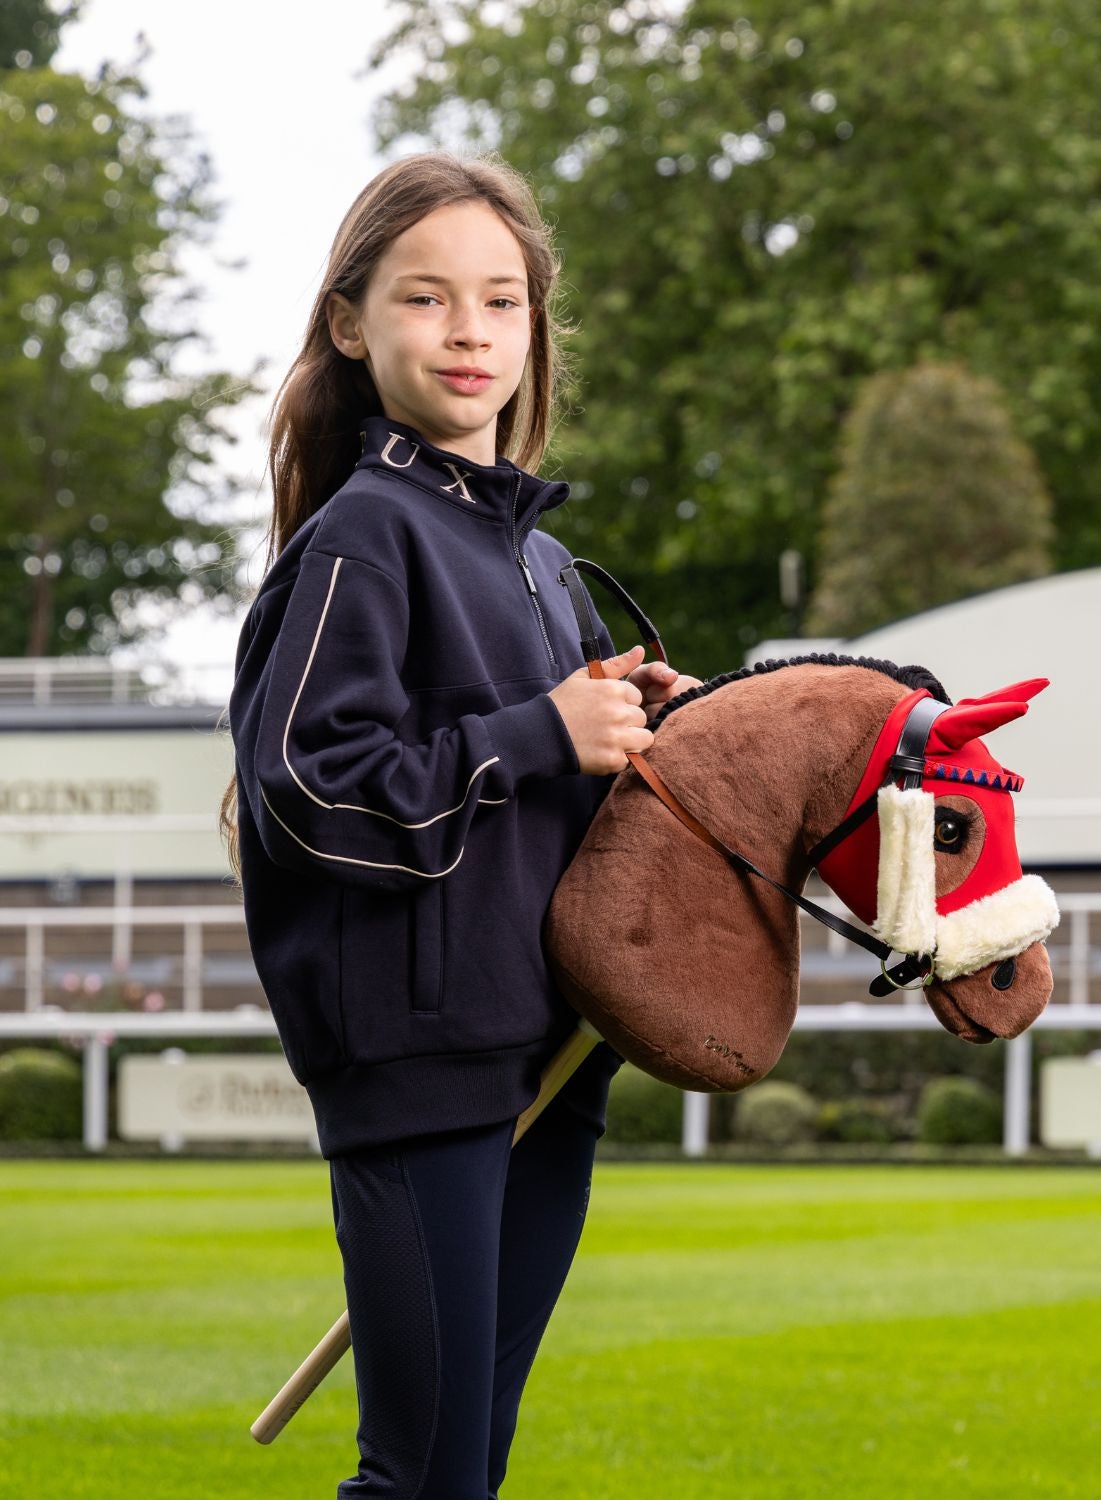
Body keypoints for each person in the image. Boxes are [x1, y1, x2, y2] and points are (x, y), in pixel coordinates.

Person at [219, 151, 701, 1496]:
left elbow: (588, 818)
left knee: (465, 1471)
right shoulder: (358, 541)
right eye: (427, 299)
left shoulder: (547, 565)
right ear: (351, 323)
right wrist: (540, 734)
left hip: (550, 1067)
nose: (472, 329)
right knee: (420, 1477)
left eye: (502, 299)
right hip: (419, 1061)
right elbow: (308, 792)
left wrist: (644, 731)